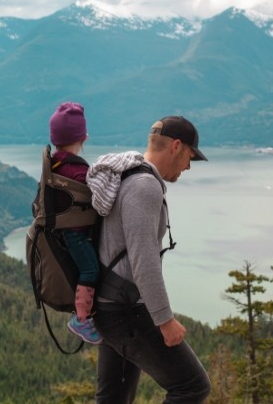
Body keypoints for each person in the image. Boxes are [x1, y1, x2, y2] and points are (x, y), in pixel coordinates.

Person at [86, 115, 212, 404]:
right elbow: (144, 261)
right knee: (192, 386)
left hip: (109, 305)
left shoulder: (126, 175)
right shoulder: (145, 186)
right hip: (126, 311)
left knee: (113, 398)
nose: (189, 166)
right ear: (176, 147)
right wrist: (164, 320)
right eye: (190, 157)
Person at [48, 101, 102, 344]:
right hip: (77, 234)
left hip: (63, 232)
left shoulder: (55, 165)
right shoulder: (78, 172)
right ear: (84, 138)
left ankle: (83, 315)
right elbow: (99, 198)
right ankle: (81, 320)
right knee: (90, 269)